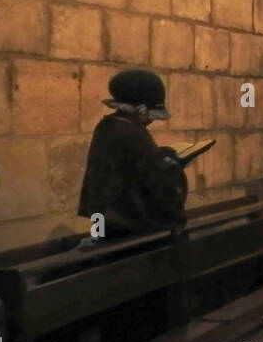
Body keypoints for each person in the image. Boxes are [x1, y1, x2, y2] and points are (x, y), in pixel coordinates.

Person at [77, 68, 187, 241]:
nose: (151, 120)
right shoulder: (131, 132)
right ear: (141, 109)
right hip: (127, 227)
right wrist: (173, 164)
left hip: (107, 220)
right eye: (151, 115)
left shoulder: (108, 125)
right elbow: (155, 182)